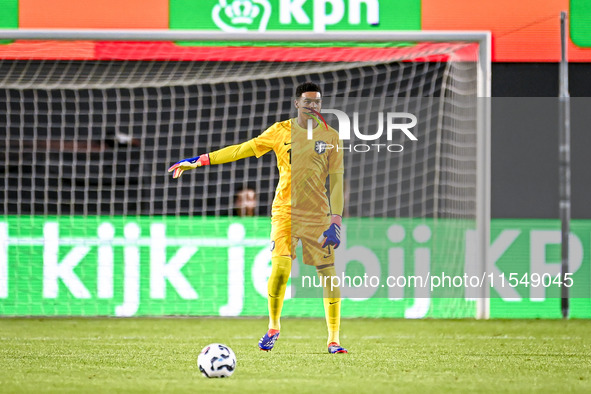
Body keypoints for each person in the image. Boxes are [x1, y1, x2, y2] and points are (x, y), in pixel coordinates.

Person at [168, 82, 347, 354]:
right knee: (281, 270)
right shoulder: (280, 131)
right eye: (308, 102)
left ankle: (333, 339)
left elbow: (336, 182)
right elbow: (242, 150)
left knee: (329, 275)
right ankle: (274, 326)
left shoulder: (331, 136)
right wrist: (202, 160)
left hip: (317, 215)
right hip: (285, 211)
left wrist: (336, 219)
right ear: (297, 103)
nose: (313, 107)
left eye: (317, 102)